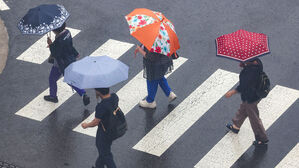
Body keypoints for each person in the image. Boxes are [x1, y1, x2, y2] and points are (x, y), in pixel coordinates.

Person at [225, 58, 269, 146]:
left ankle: (262, 138)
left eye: (243, 60)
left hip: (251, 97)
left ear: (249, 61)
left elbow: (244, 86)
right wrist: (245, 65)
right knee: (243, 108)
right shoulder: (257, 64)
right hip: (254, 94)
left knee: (254, 118)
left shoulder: (250, 72)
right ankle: (236, 126)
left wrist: (232, 92)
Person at [44, 22, 90, 106]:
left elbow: (55, 53)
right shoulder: (67, 32)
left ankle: (53, 96)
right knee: (70, 79)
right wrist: (75, 53)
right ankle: (83, 93)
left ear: (54, 31)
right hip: (70, 59)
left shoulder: (59, 41)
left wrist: (51, 44)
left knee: (52, 79)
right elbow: (69, 45)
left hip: (61, 63)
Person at [81, 88, 117, 168]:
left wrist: (86, 125)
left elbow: (96, 122)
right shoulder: (114, 97)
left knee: (105, 153)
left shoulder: (101, 106)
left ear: (98, 92)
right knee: (104, 151)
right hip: (112, 130)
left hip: (104, 132)